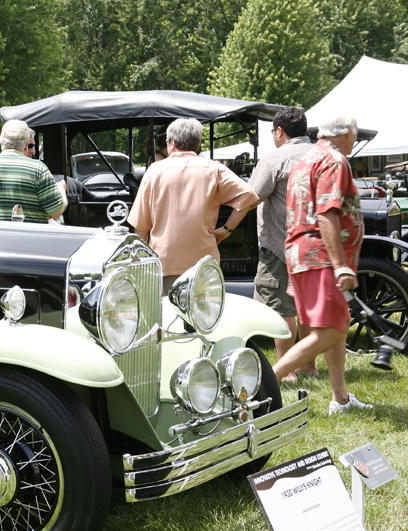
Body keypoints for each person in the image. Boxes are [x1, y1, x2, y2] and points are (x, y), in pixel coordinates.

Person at [272, 114, 373, 416]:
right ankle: (262, 382)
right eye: (354, 134)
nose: (354, 140)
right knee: (329, 332)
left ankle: (339, 399)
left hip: (301, 254)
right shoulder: (334, 160)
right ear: (344, 134)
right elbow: (328, 213)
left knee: (333, 328)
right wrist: (340, 264)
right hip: (321, 257)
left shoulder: (305, 161)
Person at [127, 117, 258, 292]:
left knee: (166, 316)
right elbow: (248, 196)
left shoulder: (154, 171)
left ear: (171, 143)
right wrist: (226, 230)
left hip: (164, 261)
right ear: (197, 143)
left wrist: (140, 262)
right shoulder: (214, 169)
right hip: (204, 262)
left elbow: (141, 226)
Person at [246, 106, 314, 376]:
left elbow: (251, 196)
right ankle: (309, 367)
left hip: (280, 244)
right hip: (314, 246)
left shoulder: (274, 159)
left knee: (280, 308)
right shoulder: (323, 156)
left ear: (279, 131)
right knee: (307, 309)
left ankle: (288, 370)